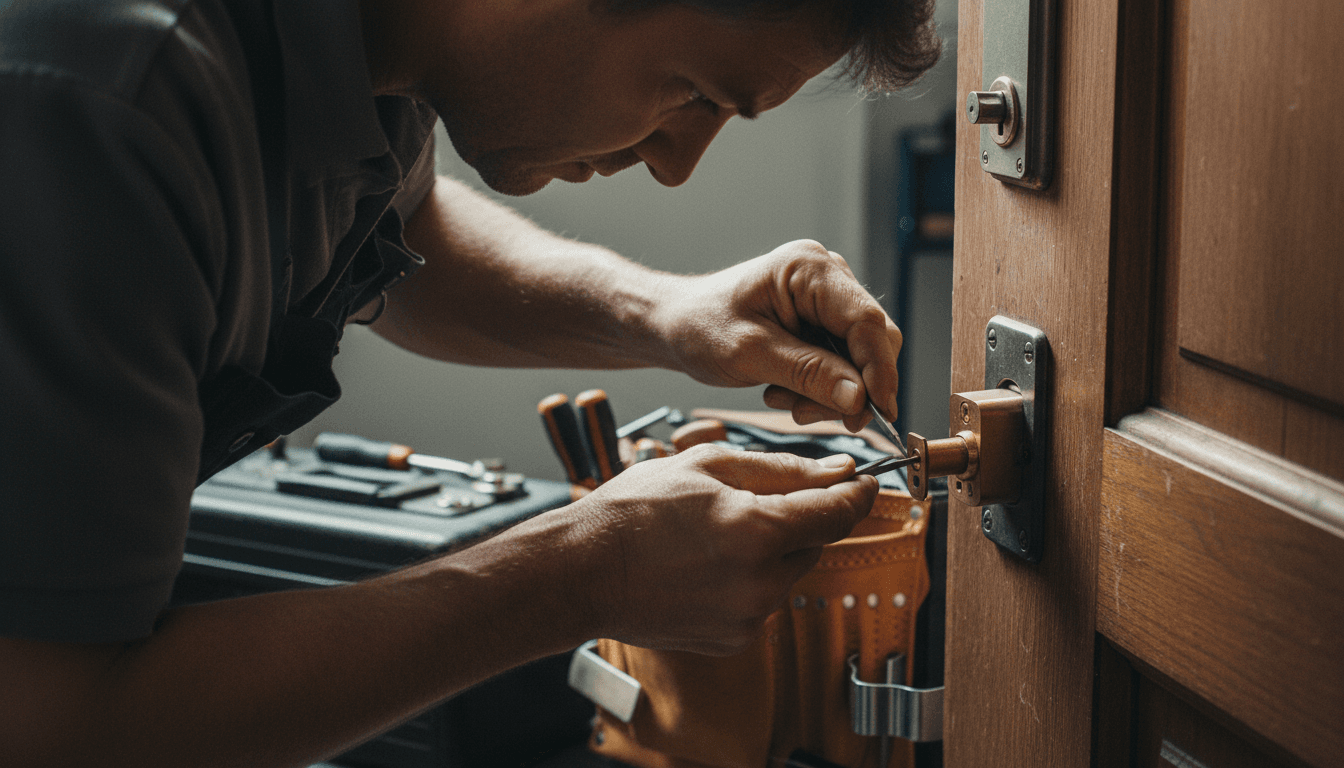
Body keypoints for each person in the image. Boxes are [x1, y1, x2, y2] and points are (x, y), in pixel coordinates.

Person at [0, 0, 939, 764]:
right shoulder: (107, 101)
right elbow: (56, 725)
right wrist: (581, 576)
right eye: (693, 92)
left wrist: (668, 314)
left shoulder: (384, 56)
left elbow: (396, 234)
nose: (676, 165)